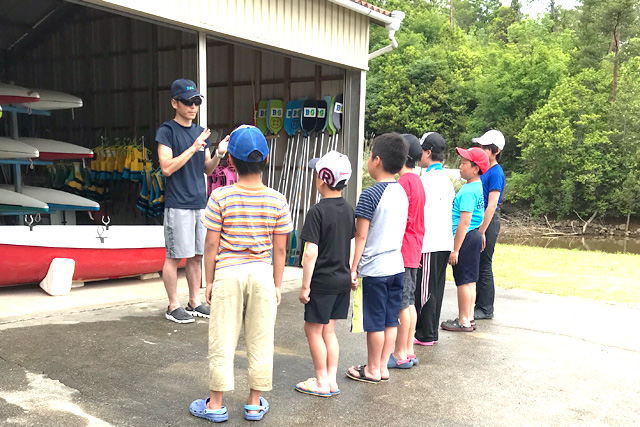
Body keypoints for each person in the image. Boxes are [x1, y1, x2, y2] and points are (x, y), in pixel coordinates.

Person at [190, 125, 292, 423]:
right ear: (267, 159)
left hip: (229, 272)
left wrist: (208, 281)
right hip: (261, 273)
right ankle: (254, 402)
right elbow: (281, 250)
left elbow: (211, 244)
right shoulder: (277, 199)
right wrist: (277, 284)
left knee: (222, 336)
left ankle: (216, 404)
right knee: (261, 336)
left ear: (230, 161)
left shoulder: (220, 197)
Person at [157, 78, 228, 324]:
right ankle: (173, 305)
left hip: (200, 202)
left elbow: (207, 169)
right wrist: (192, 147)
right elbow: (166, 168)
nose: (193, 107)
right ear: (174, 103)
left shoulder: (201, 133)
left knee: (197, 255)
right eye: (188, 102)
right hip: (178, 203)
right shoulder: (166, 131)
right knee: (175, 255)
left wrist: (218, 153)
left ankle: (194, 302)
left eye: (196, 102)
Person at [347, 133, 409, 383]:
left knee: (374, 322)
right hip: (397, 266)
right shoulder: (402, 192)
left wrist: (353, 268)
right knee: (390, 319)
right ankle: (382, 366)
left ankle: (371, 369)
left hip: (374, 269)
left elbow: (360, 237)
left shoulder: (370, 195)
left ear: (376, 160)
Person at [295, 150, 355, 397]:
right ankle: (331, 379)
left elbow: (310, 253)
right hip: (341, 279)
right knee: (329, 331)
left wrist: (305, 287)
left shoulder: (317, 212)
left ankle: (320, 380)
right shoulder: (349, 209)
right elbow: (352, 243)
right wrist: (350, 272)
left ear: (322, 179)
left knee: (313, 330)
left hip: (321, 282)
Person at [441, 147, 488, 332]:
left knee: (462, 281)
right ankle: (469, 317)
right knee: (470, 281)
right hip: (474, 235)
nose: (460, 167)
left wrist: (455, 249)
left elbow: (464, 222)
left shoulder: (468, 191)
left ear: (475, 168)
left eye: (464, 163)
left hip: (465, 237)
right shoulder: (478, 187)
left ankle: (463, 321)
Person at [414, 132, 455, 345]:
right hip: (444, 241)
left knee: (425, 289)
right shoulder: (446, 180)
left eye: (421, 151)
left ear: (428, 152)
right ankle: (431, 333)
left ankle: (425, 334)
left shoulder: (426, 180)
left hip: (429, 243)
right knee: (436, 287)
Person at [389, 134, 425, 369]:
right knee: (409, 301)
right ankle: (409, 350)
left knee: (402, 303)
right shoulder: (418, 181)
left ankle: (400, 352)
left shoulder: (403, 184)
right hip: (415, 248)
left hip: (403, 249)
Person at [473, 130, 506, 320]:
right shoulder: (485, 170)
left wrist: (482, 231)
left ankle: (486, 308)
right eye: (481, 147)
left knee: (484, 265)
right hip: (481, 222)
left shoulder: (496, 173)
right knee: (477, 264)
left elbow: (492, 204)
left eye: (486, 148)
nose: (482, 150)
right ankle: (477, 304)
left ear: (496, 151)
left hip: (488, 222)